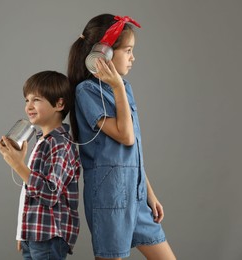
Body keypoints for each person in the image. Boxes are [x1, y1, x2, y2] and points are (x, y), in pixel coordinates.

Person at [67, 14, 176, 259]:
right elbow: (125, 137)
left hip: (136, 195)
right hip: (110, 197)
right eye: (127, 50)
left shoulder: (124, 88)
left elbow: (133, 150)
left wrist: (149, 194)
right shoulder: (87, 91)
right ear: (103, 54)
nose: (132, 57)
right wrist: (116, 86)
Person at [0, 70, 81, 260]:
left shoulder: (60, 144)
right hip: (35, 234)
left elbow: (50, 193)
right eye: (27, 100)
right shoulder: (42, 141)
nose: (29, 106)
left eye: (36, 100)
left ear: (59, 104)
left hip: (49, 236)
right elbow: (29, 194)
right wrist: (23, 232)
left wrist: (19, 166)